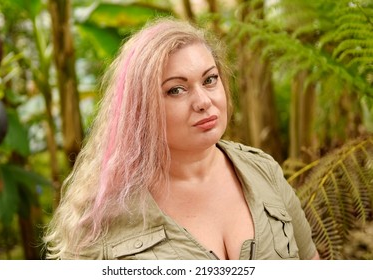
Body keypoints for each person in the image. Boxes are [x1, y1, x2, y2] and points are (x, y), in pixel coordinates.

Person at [43, 17, 320, 260]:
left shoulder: (264, 171)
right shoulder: (101, 216)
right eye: (176, 90)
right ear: (141, 107)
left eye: (210, 80)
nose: (203, 101)